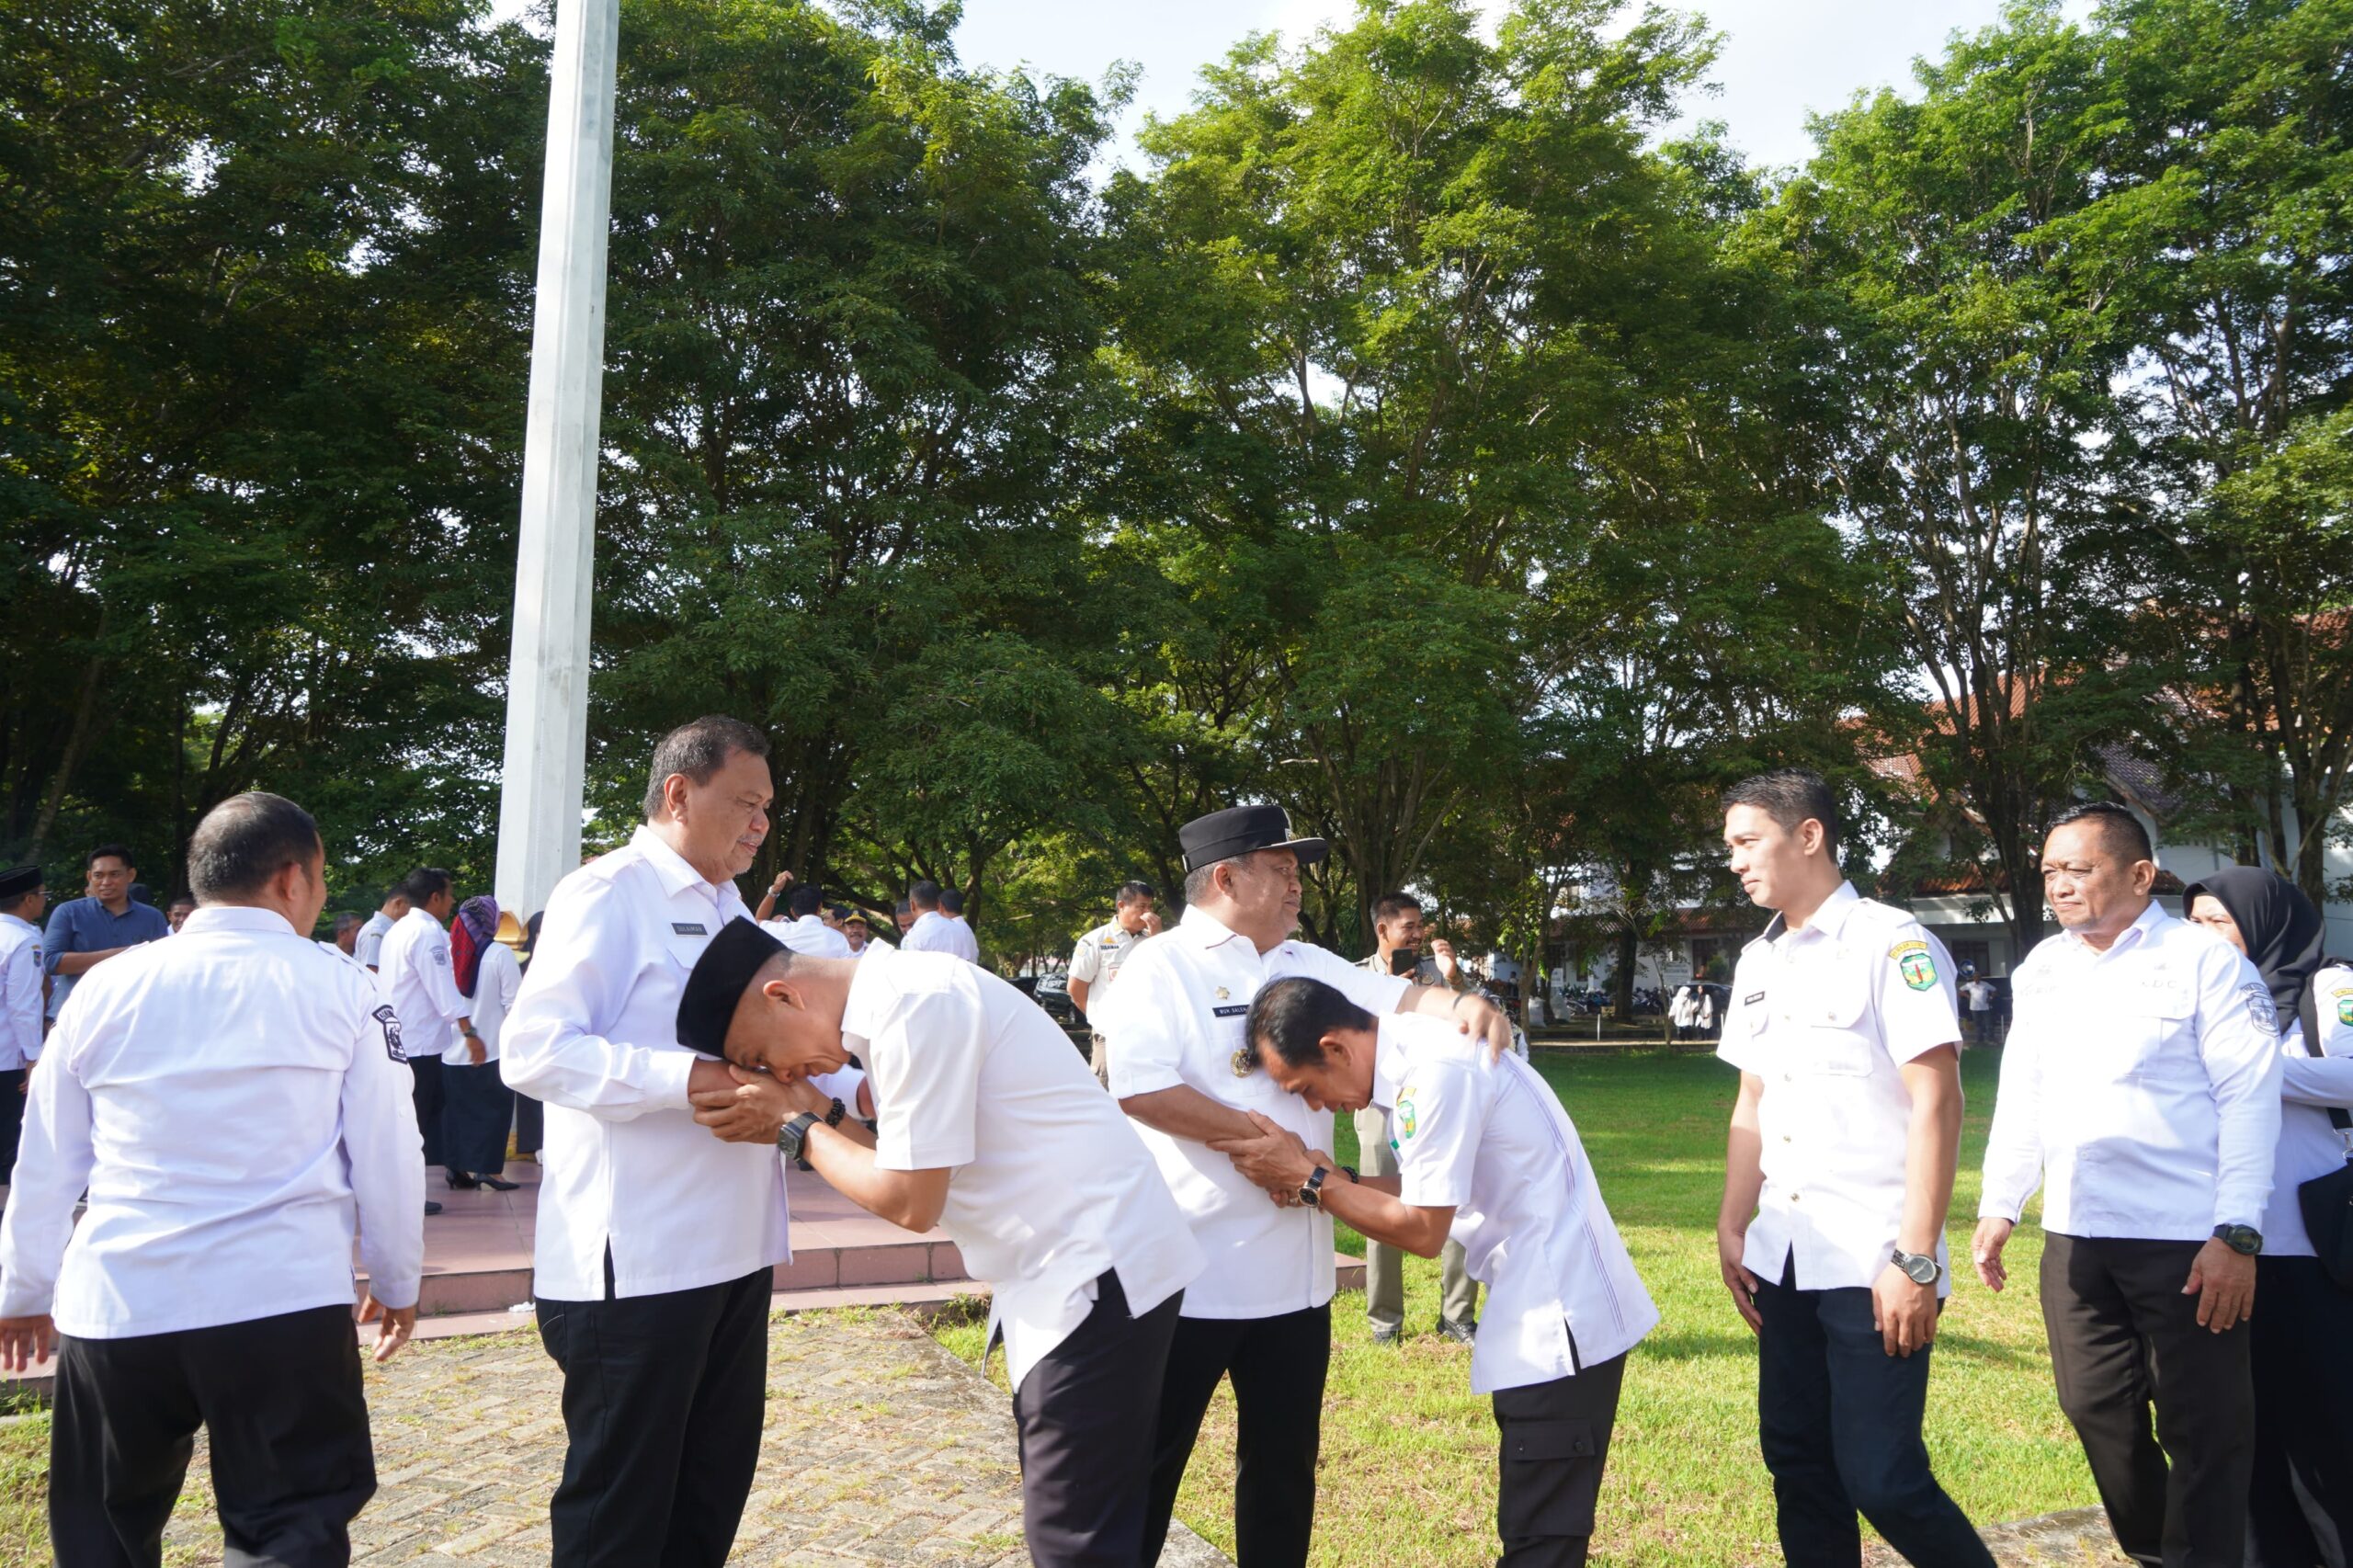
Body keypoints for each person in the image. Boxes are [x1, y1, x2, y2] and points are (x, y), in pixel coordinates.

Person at [676, 919, 1203, 1568]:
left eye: (760, 1056)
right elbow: (916, 1162)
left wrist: (795, 1126)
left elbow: (910, 1202)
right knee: (1092, 1522)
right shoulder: (906, 995)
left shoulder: (913, 1006)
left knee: (1075, 1538)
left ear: (784, 996)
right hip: (1082, 1268)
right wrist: (819, 1117)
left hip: (1093, 1273)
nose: (778, 1071)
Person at [0, 792, 423, 1567]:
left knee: (104, 1533)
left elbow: (48, 1159)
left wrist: (24, 1292)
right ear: (292, 879)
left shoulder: (106, 988)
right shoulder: (341, 987)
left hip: (122, 1300)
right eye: (324, 878)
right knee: (289, 1531)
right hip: (282, 1300)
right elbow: (390, 1151)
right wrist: (396, 1276)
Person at [1093, 803, 1521, 1568]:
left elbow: (1398, 1000)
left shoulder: (1302, 959)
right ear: (1226, 876)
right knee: (1148, 1468)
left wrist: (1464, 1001)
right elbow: (1140, 1090)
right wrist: (1268, 1146)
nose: (1298, 884)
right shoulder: (1160, 966)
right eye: (1282, 869)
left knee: (1284, 1472)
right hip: (1189, 1273)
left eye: (1297, 871)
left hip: (1295, 1277)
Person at [500, 716, 870, 1568]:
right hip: (638, 1259)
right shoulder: (611, 891)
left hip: (733, 1249)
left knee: (709, 1498)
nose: (760, 823)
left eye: (768, 808)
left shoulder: (730, 905)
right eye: (745, 802)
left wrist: (854, 1089)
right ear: (678, 793)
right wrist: (697, 1082)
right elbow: (534, 1050)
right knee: (621, 1518)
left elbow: (790, 1036)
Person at [1216, 977, 1657, 1568]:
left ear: (1336, 1048)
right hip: (1538, 1307)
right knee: (1536, 1529)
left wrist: (1314, 1182)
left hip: (1558, 1315)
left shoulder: (1437, 1073)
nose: (1318, 1107)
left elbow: (1423, 1229)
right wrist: (1335, 1182)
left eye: (1309, 1089)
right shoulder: (1422, 1061)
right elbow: (1432, 1189)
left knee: (1541, 1541)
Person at [1973, 803, 2281, 1568]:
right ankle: (2154, 1550)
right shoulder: (2044, 967)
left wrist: (2236, 1232)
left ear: (2140, 875)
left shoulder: (2205, 963)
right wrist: (2000, 1202)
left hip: (2186, 1238)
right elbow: (2024, 1091)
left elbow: (2251, 1097)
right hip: (2079, 1236)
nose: (2060, 885)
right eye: (2050, 871)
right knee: (2094, 1408)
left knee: (2202, 1425)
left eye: (2079, 868)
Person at [1715, 768, 1995, 1568]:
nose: (1734, 861)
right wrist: (1735, 1223)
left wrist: (1916, 1257)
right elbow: (1751, 1102)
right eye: (1728, 846)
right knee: (1800, 1466)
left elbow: (1938, 1101)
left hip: (1874, 1256)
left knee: (1884, 1478)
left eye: (1746, 842)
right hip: (1786, 1255)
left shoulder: (1891, 941)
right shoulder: (1758, 961)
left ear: (1809, 835)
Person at [2177, 869, 2353, 1568]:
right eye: (2192, 923)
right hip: (2219, 1247)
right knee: (2244, 1435)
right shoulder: (2199, 1000)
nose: (2203, 938)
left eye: (2218, 921)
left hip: (2310, 1248)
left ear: (2265, 922)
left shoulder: (2330, 988)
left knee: (2326, 1429)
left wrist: (2246, 1068)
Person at [1355, 891, 1479, 1346]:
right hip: (1376, 1106)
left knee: (1456, 1203)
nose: (1418, 933)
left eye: (1420, 924)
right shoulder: (1354, 979)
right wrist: (1391, 991)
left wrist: (1452, 977)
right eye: (1408, 926)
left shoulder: (1436, 976)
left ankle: (1458, 1315)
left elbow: (1470, 1023)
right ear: (1383, 930)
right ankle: (1385, 1320)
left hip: (1434, 1102)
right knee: (1381, 1207)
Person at [379, 867, 483, 1192]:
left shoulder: (398, 929)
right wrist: (468, 1032)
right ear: (435, 897)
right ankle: (404, 1193)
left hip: (400, 1038)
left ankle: (401, 1188)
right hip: (420, 1044)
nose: (452, 902)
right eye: (449, 894)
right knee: (416, 1121)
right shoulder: (426, 933)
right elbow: (442, 988)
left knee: (411, 1118)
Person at [440, 896, 519, 1192]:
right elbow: (513, 1003)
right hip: (492, 1047)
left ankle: (456, 1169)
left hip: (453, 1047)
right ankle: (490, 1171)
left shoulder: (451, 952)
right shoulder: (499, 953)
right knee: (493, 1111)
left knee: (458, 1112)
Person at [41, 844, 169, 1025]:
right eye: (98, 875)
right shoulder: (69, 912)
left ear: (131, 875)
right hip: (74, 1017)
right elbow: (51, 962)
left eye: (114, 874)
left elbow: (162, 969)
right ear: (89, 877)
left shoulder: (152, 917)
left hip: (131, 1017)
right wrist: (124, 954)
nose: (106, 882)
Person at [1068, 881, 1157, 1089]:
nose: (1147, 914)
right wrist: (1099, 1017)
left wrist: (1158, 938)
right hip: (1110, 1036)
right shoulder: (1095, 940)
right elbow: (1075, 988)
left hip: (1148, 1034)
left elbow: (1169, 980)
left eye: (1151, 907)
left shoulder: (1155, 940)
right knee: (1105, 1091)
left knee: (1147, 1091)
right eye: (1141, 907)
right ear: (1121, 906)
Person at [0, 866, 48, 1177]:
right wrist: (34, 1057)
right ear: (28, 900)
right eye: (44, 895)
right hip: (7, 1060)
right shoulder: (22, 941)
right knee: (7, 1149)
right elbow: (22, 1006)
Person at [760, 883, 854, 958]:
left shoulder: (779, 931)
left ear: (792, 911)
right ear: (820, 907)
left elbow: (757, 921)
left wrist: (774, 891)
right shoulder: (839, 940)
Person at [353, 887, 408, 972]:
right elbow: (372, 971)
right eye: (411, 908)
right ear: (398, 903)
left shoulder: (387, 929)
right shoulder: (376, 931)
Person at [1960, 973, 1996, 1047]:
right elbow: (1960, 990)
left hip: (1985, 1007)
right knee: (1977, 1025)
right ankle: (1979, 1040)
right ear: (1973, 978)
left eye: (1978, 977)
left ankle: (1990, 1039)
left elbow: (1994, 990)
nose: (1976, 978)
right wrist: (1967, 996)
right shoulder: (1969, 985)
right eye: (1975, 977)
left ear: (1980, 978)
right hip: (1974, 1008)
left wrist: (1991, 998)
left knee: (1988, 1024)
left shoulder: (1985, 984)